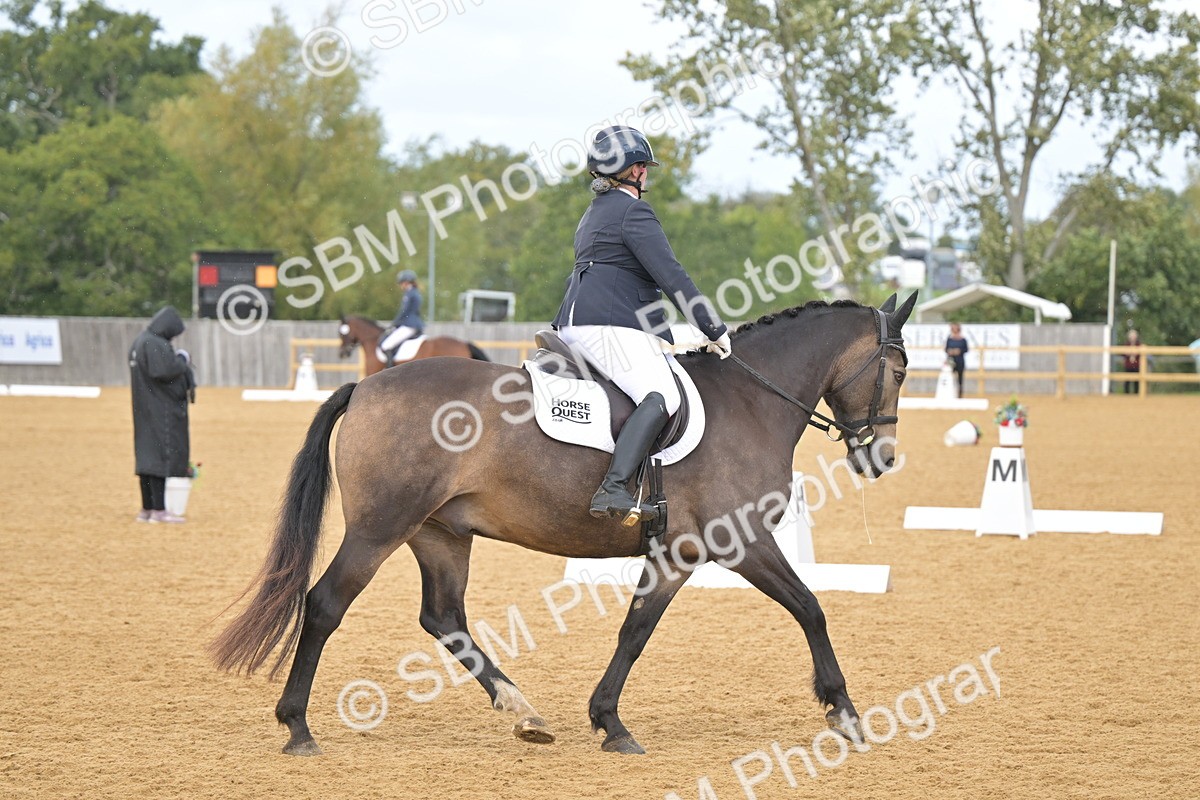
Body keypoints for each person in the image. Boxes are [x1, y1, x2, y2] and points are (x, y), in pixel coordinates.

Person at [552, 125, 731, 521]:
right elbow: (671, 274)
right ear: (634, 170)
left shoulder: (593, 214)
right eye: (643, 166)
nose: (645, 173)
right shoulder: (633, 211)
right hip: (610, 326)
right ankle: (613, 488)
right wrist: (712, 327)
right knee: (661, 395)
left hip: (573, 323)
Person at [129, 306, 196, 524]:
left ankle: (146, 508)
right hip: (160, 410)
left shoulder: (140, 341)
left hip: (143, 409)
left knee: (146, 459)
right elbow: (164, 370)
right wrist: (182, 360)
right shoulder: (155, 343)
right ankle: (159, 510)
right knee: (159, 458)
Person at [380, 269, 425, 367]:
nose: (400, 286)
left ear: (406, 282)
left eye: (401, 283)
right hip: (414, 324)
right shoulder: (415, 292)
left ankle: (389, 372)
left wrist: (394, 324)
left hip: (409, 325)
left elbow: (404, 312)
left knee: (386, 345)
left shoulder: (409, 294)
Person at [944, 322, 969, 397]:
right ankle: (949, 393)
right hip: (951, 360)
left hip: (960, 360)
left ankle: (959, 394)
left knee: (960, 378)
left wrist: (959, 351)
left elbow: (966, 349)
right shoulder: (949, 339)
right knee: (949, 376)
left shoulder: (963, 339)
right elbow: (946, 349)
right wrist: (950, 351)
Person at [1122, 329, 1142, 394]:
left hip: (1136, 365)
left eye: (1134, 336)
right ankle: (1126, 393)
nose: (1133, 337)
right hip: (1128, 365)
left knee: (1137, 381)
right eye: (1132, 336)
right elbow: (1123, 353)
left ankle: (1136, 393)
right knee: (1127, 380)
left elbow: (1140, 353)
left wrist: (1132, 354)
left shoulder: (1138, 344)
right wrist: (1131, 354)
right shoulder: (1126, 344)